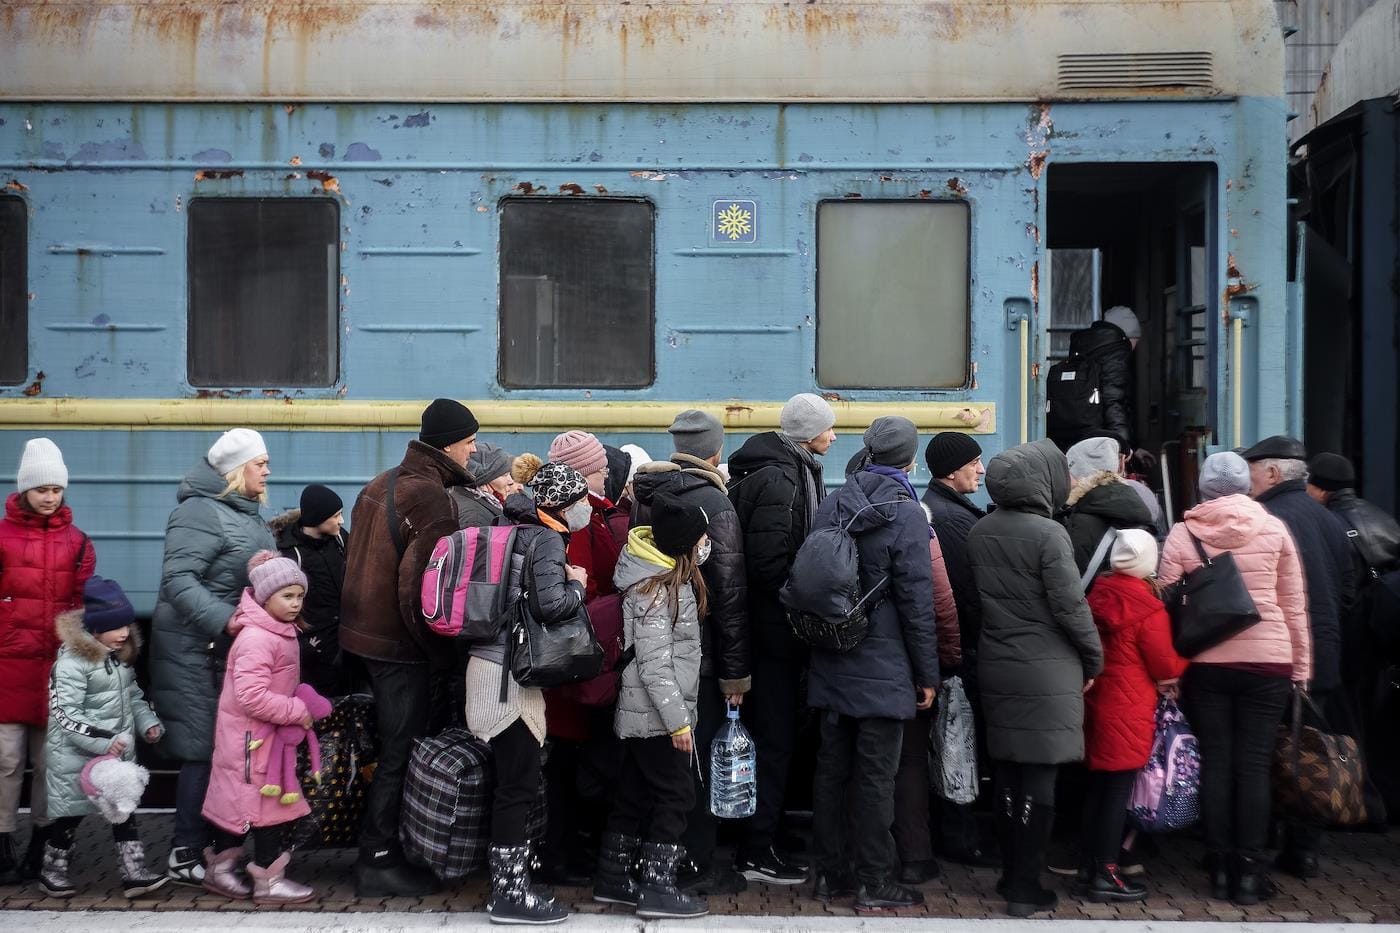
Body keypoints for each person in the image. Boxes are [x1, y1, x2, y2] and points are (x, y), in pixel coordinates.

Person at [1158, 450, 1310, 905]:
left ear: (1204, 488)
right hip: (1269, 662)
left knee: (1218, 761)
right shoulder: (1274, 527)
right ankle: (1249, 871)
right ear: (1245, 486)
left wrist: (1168, 673)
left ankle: (1219, 864)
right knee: (1255, 765)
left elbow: (1166, 606)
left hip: (1207, 663)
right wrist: (1301, 668)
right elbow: (1293, 604)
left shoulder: (1184, 532)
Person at [339, 398, 477, 897]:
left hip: (363, 637)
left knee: (389, 745)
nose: (474, 449)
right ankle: (377, 857)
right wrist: (442, 655)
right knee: (401, 748)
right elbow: (421, 591)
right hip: (399, 646)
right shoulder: (431, 499)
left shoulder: (382, 482)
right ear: (447, 445)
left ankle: (381, 847)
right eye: (468, 441)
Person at [806, 417, 940, 911]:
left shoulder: (835, 501)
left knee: (831, 771)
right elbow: (916, 601)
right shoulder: (906, 513)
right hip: (883, 664)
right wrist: (927, 673)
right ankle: (873, 879)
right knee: (875, 777)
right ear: (910, 459)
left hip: (832, 651)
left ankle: (830, 873)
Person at [968, 438, 1103, 918]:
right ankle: (1027, 885)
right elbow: (1070, 607)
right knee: (1040, 780)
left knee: (1006, 774)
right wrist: (1093, 657)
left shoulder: (981, 530)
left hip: (998, 663)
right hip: (1047, 669)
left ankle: (1010, 873)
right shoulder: (1049, 535)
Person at [466, 459, 590, 925]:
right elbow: (551, 605)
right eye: (580, 501)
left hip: (489, 664)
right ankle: (509, 893)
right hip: (508, 679)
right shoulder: (545, 539)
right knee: (515, 786)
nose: (585, 510)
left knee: (511, 783)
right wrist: (575, 585)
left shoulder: (508, 525)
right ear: (561, 503)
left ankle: (511, 883)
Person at [631, 410, 750, 895]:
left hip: (656, 651)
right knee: (697, 764)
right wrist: (735, 675)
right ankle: (696, 864)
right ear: (715, 451)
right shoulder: (714, 505)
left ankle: (660, 858)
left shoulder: (649, 495)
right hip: (698, 658)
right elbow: (730, 594)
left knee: (665, 769)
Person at [149, 428, 274, 885]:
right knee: (201, 749)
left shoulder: (249, 515)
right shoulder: (200, 512)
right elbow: (179, 580)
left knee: (224, 749)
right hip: (194, 649)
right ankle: (184, 852)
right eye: (259, 463)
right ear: (235, 469)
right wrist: (228, 620)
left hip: (223, 649)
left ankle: (213, 848)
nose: (267, 471)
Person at [726, 392, 837, 884]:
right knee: (774, 737)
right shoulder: (783, 479)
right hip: (774, 629)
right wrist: (806, 593)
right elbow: (769, 561)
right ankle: (756, 849)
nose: (833, 437)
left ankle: (762, 830)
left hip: (765, 626)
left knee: (771, 734)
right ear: (807, 434)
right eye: (828, 429)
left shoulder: (776, 469)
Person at [1243, 435, 1359, 877]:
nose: (1248, 479)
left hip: (1277, 654)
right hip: (1323, 655)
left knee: (1267, 750)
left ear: (1272, 473)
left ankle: (1262, 837)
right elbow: (1347, 594)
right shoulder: (1331, 521)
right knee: (1310, 751)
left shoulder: (1265, 517)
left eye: (1252, 470)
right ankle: (1303, 849)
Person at [597, 493, 713, 919]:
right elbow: (654, 667)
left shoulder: (665, 582)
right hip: (656, 715)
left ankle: (612, 878)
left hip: (648, 713)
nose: (707, 543)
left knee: (634, 791)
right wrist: (679, 724)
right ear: (685, 544)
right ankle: (658, 886)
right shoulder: (655, 590)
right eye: (702, 537)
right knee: (675, 797)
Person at [202, 552, 327, 905]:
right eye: (287, 596)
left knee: (243, 804)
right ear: (264, 597)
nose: (295, 603)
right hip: (251, 741)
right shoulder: (259, 638)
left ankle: (221, 869)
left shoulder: (274, 630)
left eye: (299, 596)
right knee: (264, 807)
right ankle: (268, 879)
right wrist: (297, 710)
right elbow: (251, 696)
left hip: (253, 739)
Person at [0, 438, 94, 886]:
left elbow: (81, 605)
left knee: (49, 763)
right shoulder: (1, 537)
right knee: (6, 759)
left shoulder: (77, 543)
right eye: (42, 489)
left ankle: (41, 842)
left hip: (55, 670)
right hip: (8, 665)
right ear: (24, 489)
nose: (50, 496)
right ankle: (2, 841)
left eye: (57, 489)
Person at [1076, 530, 1186, 903]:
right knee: (1117, 792)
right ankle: (1106, 871)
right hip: (1130, 709)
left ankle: (1089, 865)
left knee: (1098, 788)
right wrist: (1188, 659)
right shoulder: (1148, 608)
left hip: (1097, 703)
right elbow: (1164, 664)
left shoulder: (1095, 596)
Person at [40, 576, 166, 899]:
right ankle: (52, 870)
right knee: (70, 815)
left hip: (115, 755)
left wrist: (147, 723)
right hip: (75, 756)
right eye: (115, 627)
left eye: (127, 624)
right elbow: (64, 713)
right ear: (95, 629)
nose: (124, 633)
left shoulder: (118, 657)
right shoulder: (71, 663)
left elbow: (133, 696)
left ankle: (133, 873)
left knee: (123, 810)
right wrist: (105, 740)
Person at [920, 432, 998, 867]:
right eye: (975, 463)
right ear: (952, 469)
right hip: (960, 651)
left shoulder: (941, 509)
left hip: (950, 648)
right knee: (957, 743)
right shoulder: (953, 520)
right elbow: (965, 595)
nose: (981, 470)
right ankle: (959, 836)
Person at [1307, 452, 1400, 816]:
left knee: (1345, 721)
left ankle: (1359, 800)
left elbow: (1337, 591)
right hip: (1385, 637)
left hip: (1352, 636)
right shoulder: (1383, 517)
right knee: (1378, 719)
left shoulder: (1328, 525)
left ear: (1320, 488)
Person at [273, 484, 352, 697]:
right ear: (318, 518)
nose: (341, 521)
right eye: (336, 516)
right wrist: (303, 644)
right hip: (315, 647)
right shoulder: (291, 554)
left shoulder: (341, 539)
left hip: (346, 642)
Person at [1051, 306, 1140, 452]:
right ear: (1128, 336)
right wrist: (1123, 447)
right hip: (1100, 440)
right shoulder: (1117, 351)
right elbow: (1114, 402)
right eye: (1136, 341)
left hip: (1071, 435)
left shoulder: (1083, 345)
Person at [1062, 436, 1154, 576]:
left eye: (1068, 472)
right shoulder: (1127, 508)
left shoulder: (1084, 518)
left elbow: (1067, 578)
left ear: (1083, 475)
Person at [453, 442, 518, 529]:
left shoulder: (472, 501)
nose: (511, 481)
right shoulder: (474, 518)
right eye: (504, 475)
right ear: (484, 480)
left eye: (509, 474)